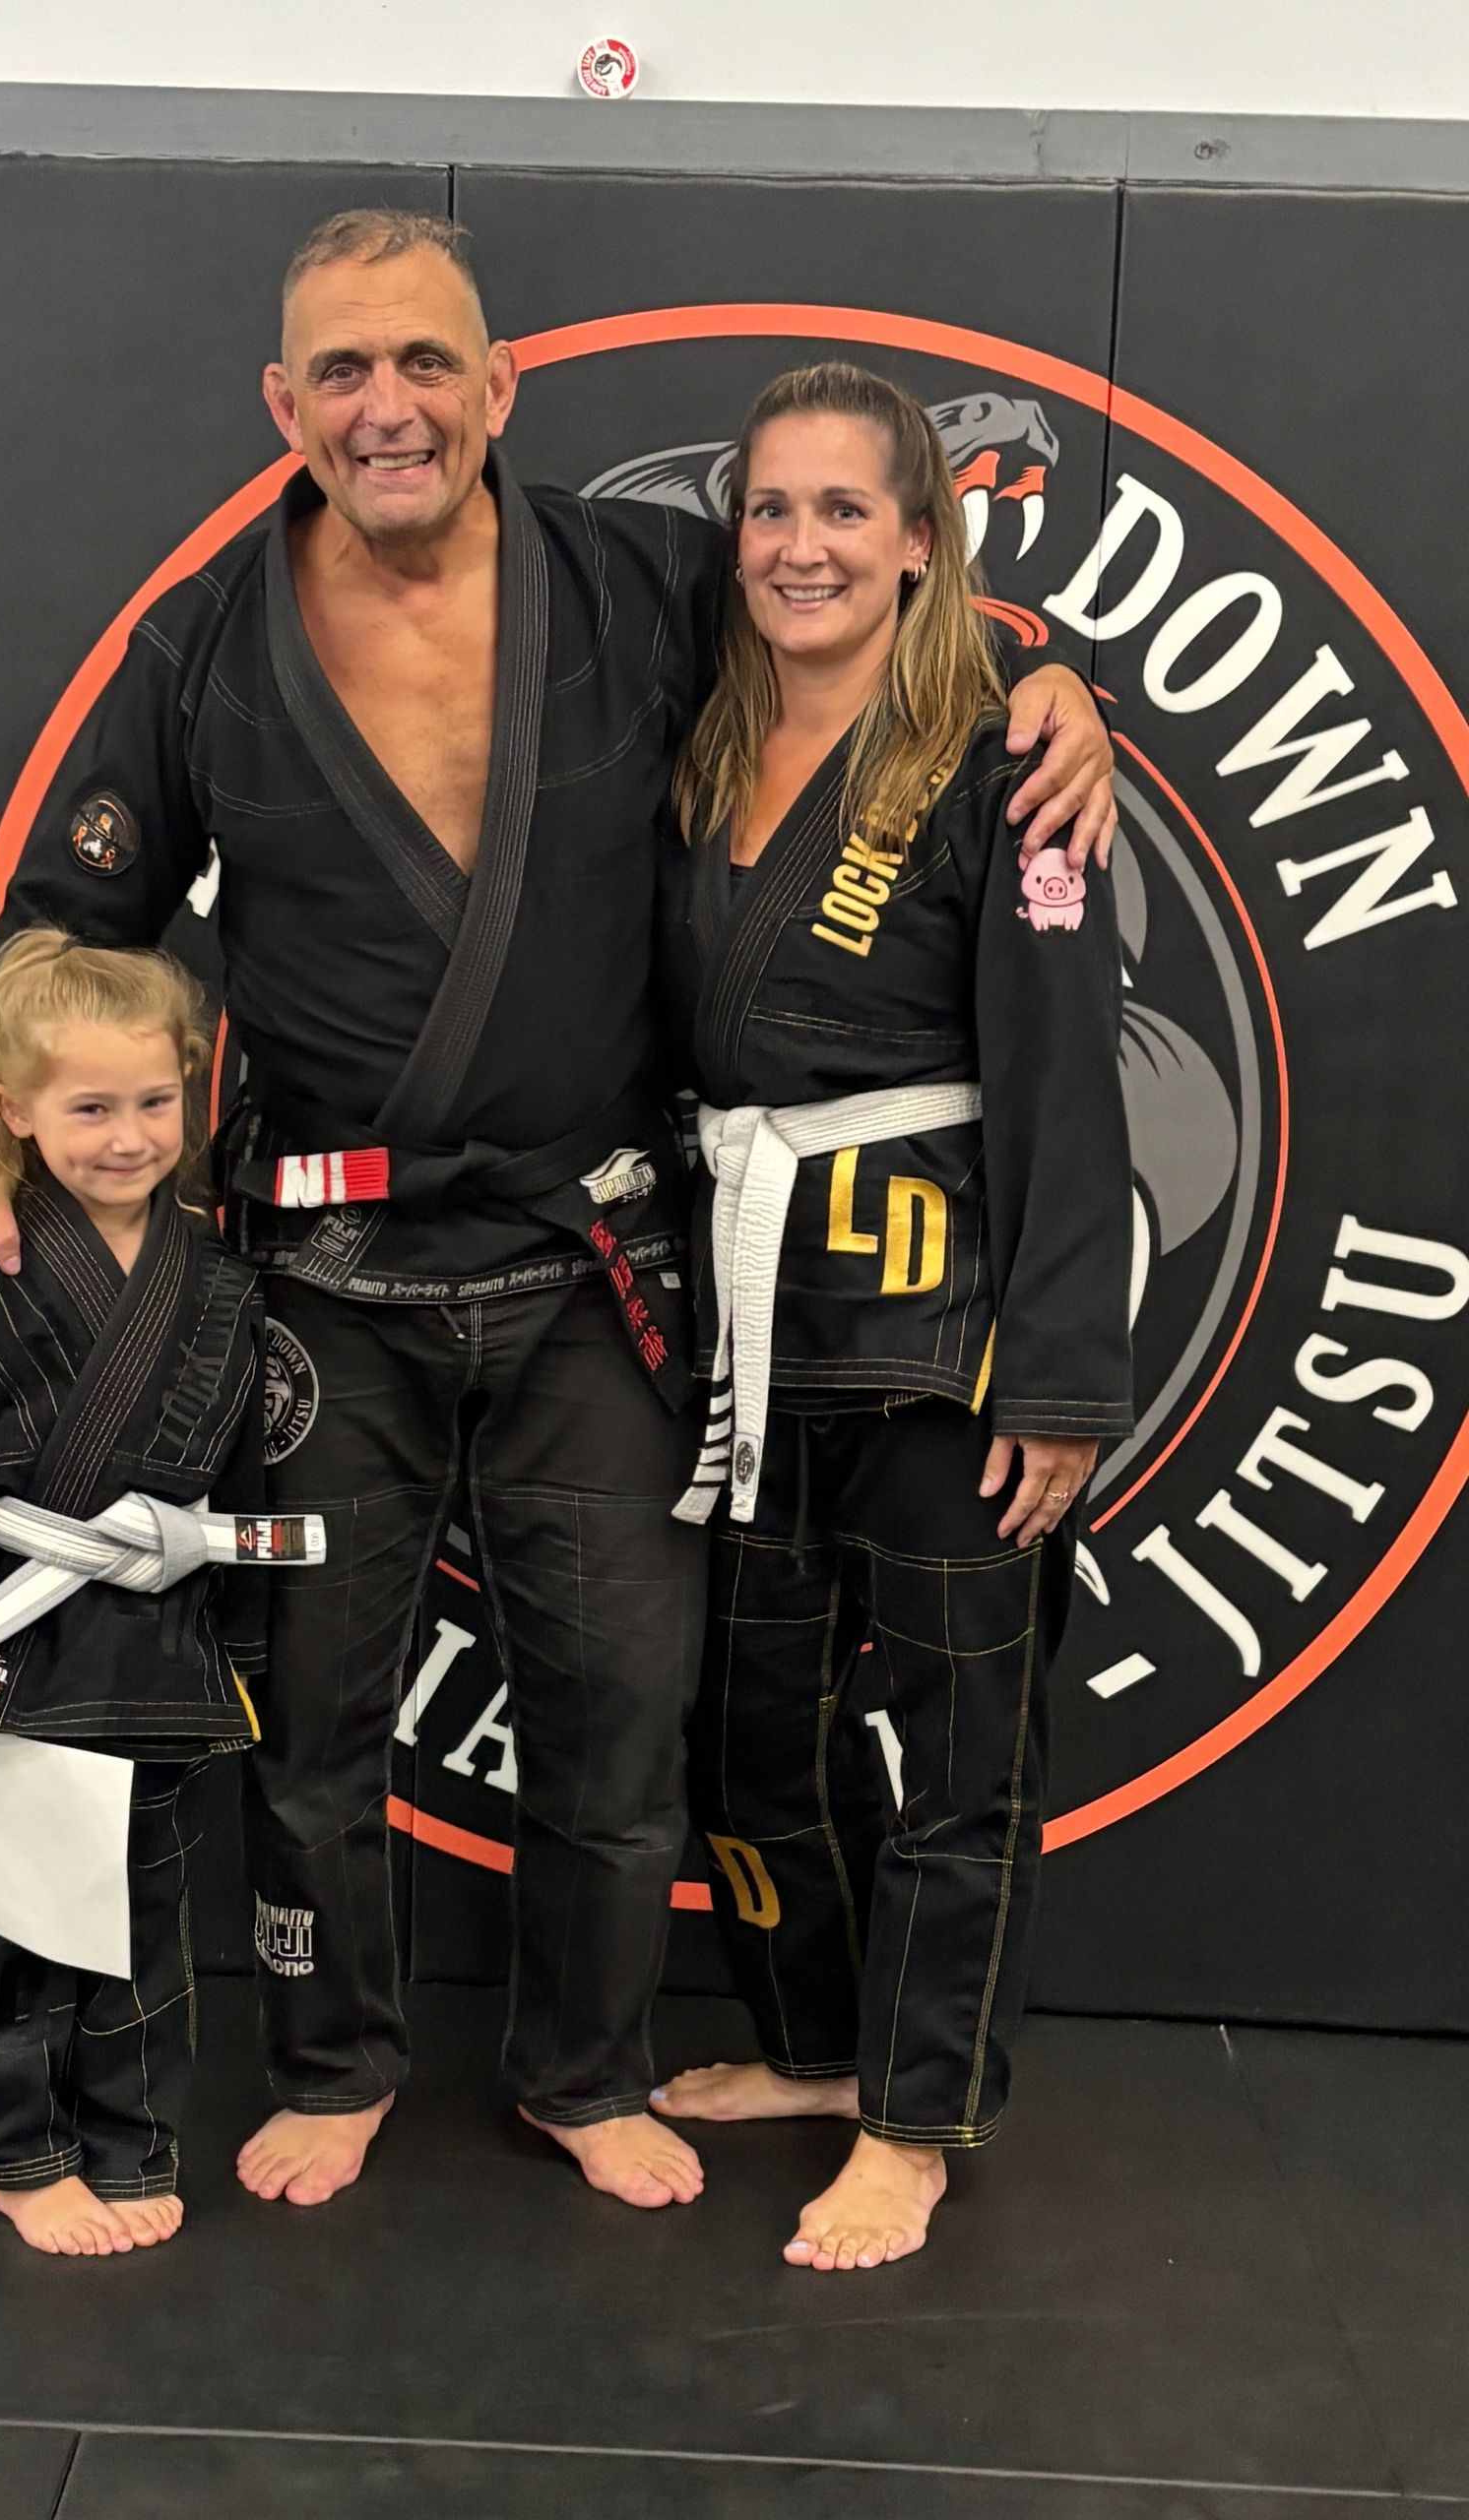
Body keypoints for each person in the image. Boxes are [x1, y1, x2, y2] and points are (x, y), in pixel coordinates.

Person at [0, 211, 1119, 2214]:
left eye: (428, 363)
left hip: (591, 1268)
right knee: (318, 1716)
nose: (392, 405)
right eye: (346, 371)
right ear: (283, 405)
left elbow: (864, 633)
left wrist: (1047, 688)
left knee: (623, 1703)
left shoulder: (636, 581)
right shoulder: (202, 643)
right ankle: (338, 2051)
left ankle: (586, 2060)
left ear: (499, 386)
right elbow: (60, 928)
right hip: (322, 1276)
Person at [648, 363, 1133, 2270]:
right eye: (772, 509)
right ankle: (821, 2046)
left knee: (950, 1746)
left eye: (848, 509)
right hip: (748, 1317)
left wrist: (1069, 1370)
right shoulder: (703, 737)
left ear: (922, 540)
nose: (804, 544)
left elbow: (1066, 1070)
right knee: (754, 1732)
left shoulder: (1012, 761)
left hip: (944, 1333)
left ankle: (920, 2115)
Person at [0, 929, 295, 2257]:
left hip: (151, 1645)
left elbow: (236, 1486)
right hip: (6, 1639)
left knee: (137, 1914)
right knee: (2, 1916)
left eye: (155, 1102)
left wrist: (243, 1646)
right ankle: (17, 2148)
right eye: (89, 1108)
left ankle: (131, 2138)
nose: (126, 1136)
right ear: (14, 1114)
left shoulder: (219, 1281)